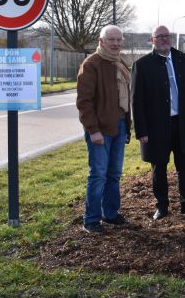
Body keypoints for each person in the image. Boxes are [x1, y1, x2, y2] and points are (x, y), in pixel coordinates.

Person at [131, 25, 185, 220]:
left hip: (183, 124)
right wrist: (141, 130)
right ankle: (162, 206)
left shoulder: (181, 58)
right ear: (152, 40)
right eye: (160, 36)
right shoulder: (142, 65)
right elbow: (137, 101)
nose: (164, 39)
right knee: (159, 168)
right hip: (157, 127)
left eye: (167, 36)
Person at [76, 25, 131, 233]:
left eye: (119, 40)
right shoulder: (91, 64)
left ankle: (110, 213)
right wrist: (93, 130)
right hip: (100, 129)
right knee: (98, 174)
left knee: (114, 174)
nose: (116, 43)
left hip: (120, 125)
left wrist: (127, 127)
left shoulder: (120, 63)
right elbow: (84, 102)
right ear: (101, 41)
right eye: (111, 40)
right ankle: (91, 220)